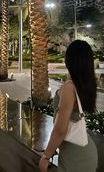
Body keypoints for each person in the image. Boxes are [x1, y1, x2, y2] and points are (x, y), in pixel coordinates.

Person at [39, 40, 98, 172]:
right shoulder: (84, 84)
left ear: (69, 60)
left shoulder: (69, 87)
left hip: (75, 156)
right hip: (83, 150)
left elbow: (61, 129)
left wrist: (46, 156)